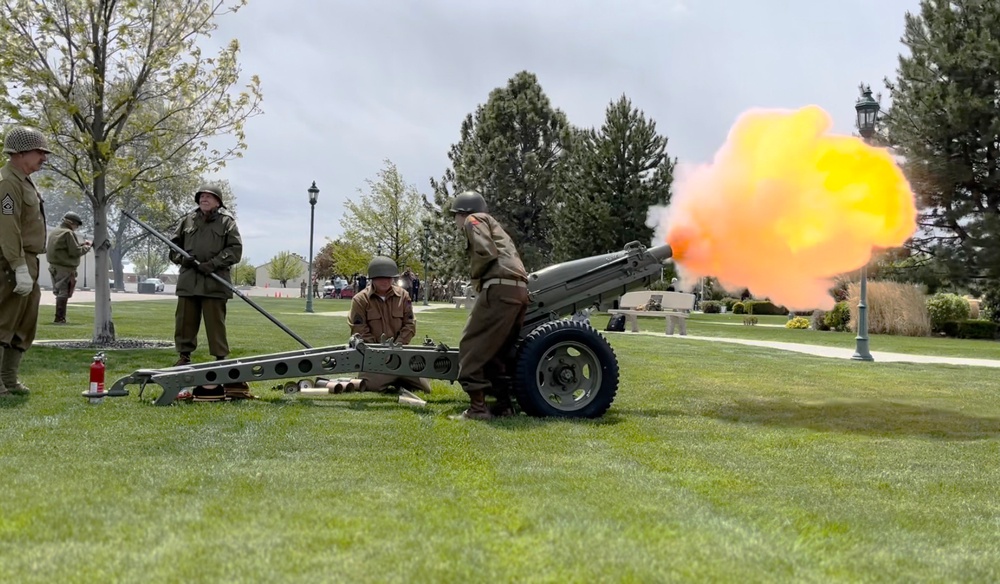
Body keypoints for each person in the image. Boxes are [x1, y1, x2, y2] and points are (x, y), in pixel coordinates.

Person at [449, 190, 529, 420]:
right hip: (518, 291)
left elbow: (485, 252)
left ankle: (477, 408)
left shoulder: (475, 220)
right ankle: (503, 406)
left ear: (463, 212)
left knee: (471, 346)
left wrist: (476, 279)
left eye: (456, 215)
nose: (456, 221)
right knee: (497, 351)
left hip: (499, 290)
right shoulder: (497, 226)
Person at [168, 184, 244, 398]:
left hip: (215, 280)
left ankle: (220, 358)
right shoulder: (186, 221)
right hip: (189, 280)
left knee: (215, 322)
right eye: (201, 196)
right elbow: (172, 247)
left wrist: (212, 264)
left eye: (209, 197)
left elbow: (235, 250)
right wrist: (185, 259)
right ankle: (184, 356)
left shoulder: (227, 223)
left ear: (218, 202)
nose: (204, 199)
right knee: (184, 321)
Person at [0, 127, 51, 396]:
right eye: (39, 152)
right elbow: (8, 226)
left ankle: (9, 378)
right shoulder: (7, 182)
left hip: (29, 259)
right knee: (5, 318)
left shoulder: (24, 180)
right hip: (11, 260)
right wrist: (18, 264)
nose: (44, 157)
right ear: (20, 153)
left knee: (24, 321)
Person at [347, 256, 431, 394]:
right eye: (381, 277)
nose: (385, 281)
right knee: (371, 387)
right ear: (372, 278)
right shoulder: (360, 300)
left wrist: (397, 347)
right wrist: (379, 352)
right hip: (374, 356)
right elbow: (359, 329)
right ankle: (391, 379)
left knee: (424, 389)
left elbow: (410, 324)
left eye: (389, 277)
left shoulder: (403, 296)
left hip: (400, 354)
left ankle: (399, 379)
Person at [45, 211, 92, 324]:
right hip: (65, 267)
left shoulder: (55, 232)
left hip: (54, 266)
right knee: (64, 292)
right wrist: (88, 246)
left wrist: (81, 245)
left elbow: (64, 248)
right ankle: (60, 318)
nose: (76, 227)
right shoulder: (68, 233)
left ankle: (59, 317)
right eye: (76, 224)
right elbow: (75, 252)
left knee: (59, 291)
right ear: (71, 222)